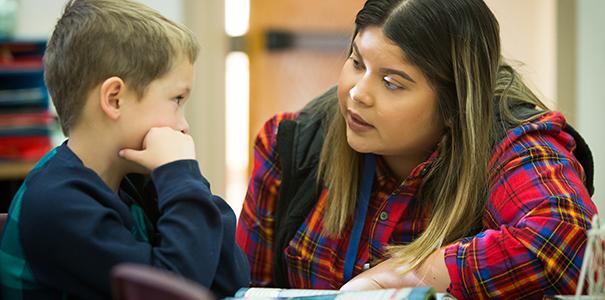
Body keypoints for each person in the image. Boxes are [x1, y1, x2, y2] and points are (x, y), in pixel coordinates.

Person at [236, 0, 597, 298]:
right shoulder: (292, 143)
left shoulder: (513, 142)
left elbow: (566, 241)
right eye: (357, 62)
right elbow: (247, 288)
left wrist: (405, 275)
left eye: (392, 82)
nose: (357, 93)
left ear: (455, 104)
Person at [0, 0, 249, 299]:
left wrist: (185, 180)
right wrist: (181, 176)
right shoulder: (58, 204)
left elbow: (229, 277)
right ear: (115, 99)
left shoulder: (134, 181)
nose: (183, 125)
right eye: (177, 99)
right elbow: (176, 291)